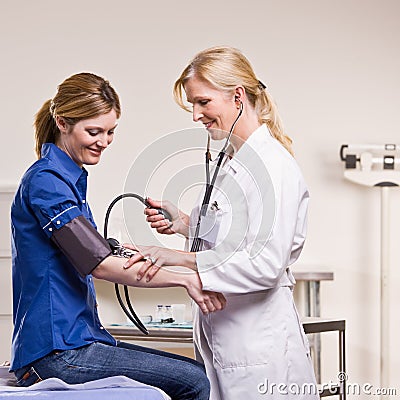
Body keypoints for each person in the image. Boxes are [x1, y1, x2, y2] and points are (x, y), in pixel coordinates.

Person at [10, 72, 227, 400]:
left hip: (77, 340)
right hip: (57, 354)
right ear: (62, 122)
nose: (103, 141)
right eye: (93, 131)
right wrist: (185, 280)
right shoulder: (48, 182)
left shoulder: (66, 180)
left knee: (197, 373)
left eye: (110, 132)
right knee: (194, 382)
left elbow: (94, 253)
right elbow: (99, 265)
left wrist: (126, 252)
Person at [124, 46, 319, 399]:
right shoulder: (236, 162)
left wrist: (177, 259)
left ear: (238, 96)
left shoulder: (272, 167)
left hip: (259, 348)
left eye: (203, 102)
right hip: (229, 339)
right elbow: (236, 235)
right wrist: (184, 223)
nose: (196, 115)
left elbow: (265, 263)